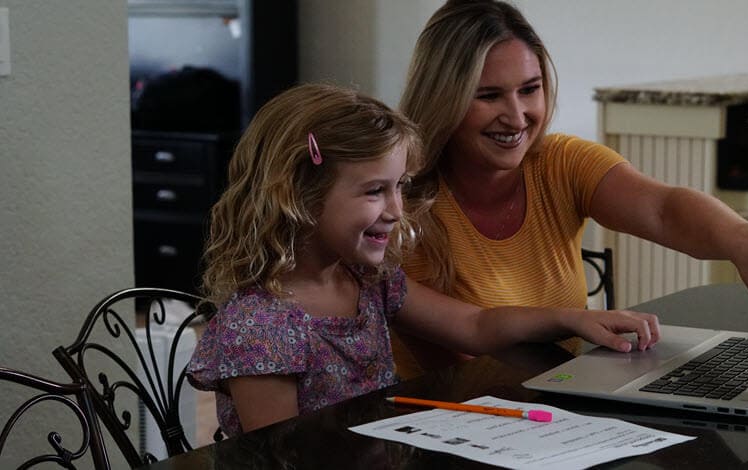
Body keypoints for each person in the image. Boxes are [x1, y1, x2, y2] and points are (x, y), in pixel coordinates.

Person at [185, 83, 660, 437]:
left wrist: (572, 318)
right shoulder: (261, 327)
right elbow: (281, 457)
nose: (395, 211)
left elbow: (474, 326)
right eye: (375, 191)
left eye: (399, 187)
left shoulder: (367, 280)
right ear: (298, 195)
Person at [394, 0, 748, 377]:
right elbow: (471, 344)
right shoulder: (395, 201)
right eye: (488, 96)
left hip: (553, 406)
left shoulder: (560, 162)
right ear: (444, 96)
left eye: (529, 89)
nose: (517, 116)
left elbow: (664, 209)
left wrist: (743, 240)